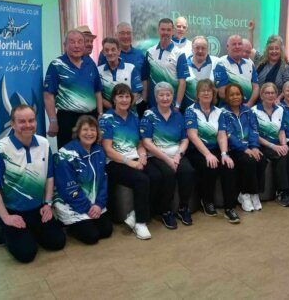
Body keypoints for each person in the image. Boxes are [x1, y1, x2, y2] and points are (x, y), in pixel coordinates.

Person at [0, 105, 65, 263]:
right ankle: (1, 228)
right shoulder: (0, 149)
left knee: (58, 242)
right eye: (21, 121)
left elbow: (49, 177)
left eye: (31, 120)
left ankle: (29, 231)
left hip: (38, 208)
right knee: (27, 254)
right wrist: (6, 217)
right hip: (13, 211)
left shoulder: (44, 144)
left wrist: (47, 204)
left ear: (36, 122)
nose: (27, 125)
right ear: (12, 124)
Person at [99, 84, 153, 239]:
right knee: (141, 180)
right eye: (120, 96)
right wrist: (130, 162)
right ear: (114, 99)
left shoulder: (134, 117)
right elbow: (108, 150)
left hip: (135, 158)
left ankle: (135, 215)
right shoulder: (107, 119)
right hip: (115, 162)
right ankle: (141, 223)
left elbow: (139, 143)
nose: (124, 100)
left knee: (157, 174)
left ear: (132, 99)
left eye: (127, 96)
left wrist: (142, 156)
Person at [141, 82, 195, 229]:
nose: (165, 98)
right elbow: (146, 142)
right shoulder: (149, 115)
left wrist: (178, 156)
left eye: (168, 94)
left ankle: (184, 208)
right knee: (168, 173)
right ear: (156, 97)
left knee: (188, 171)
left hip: (176, 153)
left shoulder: (178, 115)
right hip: (157, 155)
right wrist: (167, 159)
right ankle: (165, 211)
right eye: (161, 95)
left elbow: (185, 139)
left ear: (172, 96)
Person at [185, 79, 240, 223]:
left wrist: (224, 154)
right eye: (203, 90)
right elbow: (192, 135)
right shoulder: (191, 110)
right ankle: (207, 200)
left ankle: (229, 208)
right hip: (196, 150)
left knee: (228, 166)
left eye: (209, 90)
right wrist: (208, 154)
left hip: (215, 148)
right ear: (197, 94)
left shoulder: (219, 112)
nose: (206, 93)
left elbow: (222, 134)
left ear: (213, 93)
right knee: (209, 165)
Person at [54, 115, 113, 244]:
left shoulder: (99, 151)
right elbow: (69, 188)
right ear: (78, 132)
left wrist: (98, 204)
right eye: (85, 130)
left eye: (93, 130)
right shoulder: (66, 154)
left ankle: (89, 218)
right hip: (71, 204)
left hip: (93, 203)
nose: (89, 133)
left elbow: (103, 180)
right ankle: (67, 225)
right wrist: (87, 207)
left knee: (106, 231)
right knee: (92, 237)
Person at [44, 29, 103, 149]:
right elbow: (48, 96)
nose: (76, 45)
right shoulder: (56, 65)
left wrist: (100, 114)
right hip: (67, 119)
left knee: (91, 153)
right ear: (65, 45)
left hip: (91, 118)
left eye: (80, 42)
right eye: (72, 42)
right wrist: (53, 121)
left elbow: (97, 91)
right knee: (68, 156)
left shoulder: (90, 64)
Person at [220, 84, 267, 212]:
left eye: (238, 94)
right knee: (248, 160)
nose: (235, 97)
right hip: (234, 149)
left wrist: (255, 147)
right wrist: (245, 149)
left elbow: (254, 129)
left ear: (242, 95)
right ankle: (244, 194)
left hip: (250, 146)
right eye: (232, 94)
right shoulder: (223, 113)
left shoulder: (248, 110)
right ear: (227, 97)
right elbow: (229, 134)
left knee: (261, 159)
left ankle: (255, 193)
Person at [252, 83, 289, 207]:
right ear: (262, 95)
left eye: (273, 93)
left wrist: (284, 144)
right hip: (262, 145)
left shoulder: (280, 109)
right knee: (280, 156)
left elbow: (281, 130)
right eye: (267, 93)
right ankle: (281, 192)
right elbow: (255, 136)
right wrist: (273, 146)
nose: (270, 95)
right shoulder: (254, 111)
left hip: (277, 143)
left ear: (276, 95)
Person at [98, 22, 148, 116]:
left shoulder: (140, 54)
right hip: (109, 111)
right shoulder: (103, 57)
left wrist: (144, 101)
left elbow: (144, 79)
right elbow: (100, 80)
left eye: (128, 33)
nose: (126, 36)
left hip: (133, 108)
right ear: (116, 35)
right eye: (122, 33)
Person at [145, 18, 189, 110]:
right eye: (163, 29)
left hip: (171, 106)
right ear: (158, 30)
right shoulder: (150, 52)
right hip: (153, 105)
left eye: (168, 30)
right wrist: (145, 100)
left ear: (173, 31)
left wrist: (177, 105)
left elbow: (182, 82)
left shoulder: (179, 54)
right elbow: (146, 79)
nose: (165, 32)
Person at [97, 37, 143, 111]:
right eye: (107, 50)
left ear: (119, 51)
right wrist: (116, 110)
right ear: (103, 53)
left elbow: (136, 93)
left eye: (113, 49)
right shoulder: (98, 71)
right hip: (109, 115)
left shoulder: (131, 68)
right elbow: (98, 95)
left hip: (130, 114)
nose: (110, 53)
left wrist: (124, 109)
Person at [214, 35, 259, 107]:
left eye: (239, 44)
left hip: (248, 108)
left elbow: (256, 87)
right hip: (228, 110)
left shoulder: (250, 63)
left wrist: (249, 104)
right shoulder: (221, 64)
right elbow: (222, 92)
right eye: (234, 44)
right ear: (227, 47)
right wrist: (238, 107)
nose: (237, 47)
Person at [183, 36, 218, 110]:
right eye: (197, 48)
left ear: (208, 50)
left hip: (210, 111)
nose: (200, 51)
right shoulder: (183, 64)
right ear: (192, 49)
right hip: (187, 111)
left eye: (203, 48)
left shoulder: (216, 62)